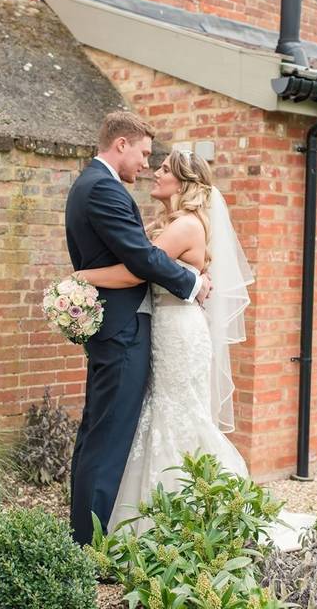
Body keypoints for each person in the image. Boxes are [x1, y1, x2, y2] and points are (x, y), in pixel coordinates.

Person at [74, 148, 254, 534]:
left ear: (184, 182)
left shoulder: (186, 225)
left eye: (165, 169)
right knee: (159, 415)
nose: (155, 172)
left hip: (178, 333)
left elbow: (137, 271)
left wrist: (83, 277)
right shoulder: (173, 223)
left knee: (178, 416)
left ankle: (196, 515)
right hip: (163, 329)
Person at [64, 112, 212, 546]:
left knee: (102, 434)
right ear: (122, 144)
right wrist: (192, 281)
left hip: (134, 330)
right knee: (108, 440)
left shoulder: (93, 185)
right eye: (146, 154)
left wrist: (195, 273)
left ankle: (86, 537)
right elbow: (138, 264)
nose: (147, 165)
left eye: (159, 163)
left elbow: (143, 260)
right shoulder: (104, 189)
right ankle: (89, 546)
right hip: (124, 331)